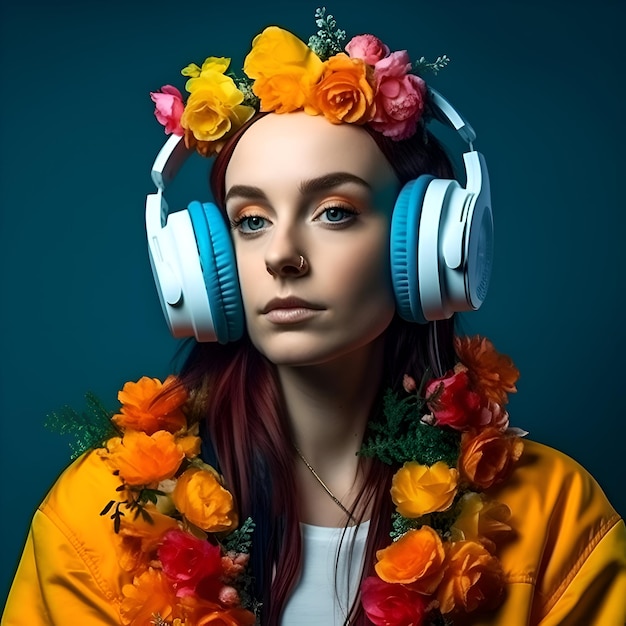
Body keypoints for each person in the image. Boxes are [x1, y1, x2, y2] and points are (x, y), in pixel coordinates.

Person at [3, 9, 626, 626]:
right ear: (204, 266)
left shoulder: (552, 513)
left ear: (432, 247)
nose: (281, 256)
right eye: (250, 221)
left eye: (334, 211)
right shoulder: (105, 509)